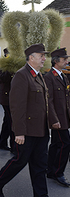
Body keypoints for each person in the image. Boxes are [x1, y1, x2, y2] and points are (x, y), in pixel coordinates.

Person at [0, 43, 50, 197]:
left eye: (44, 55)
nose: (44, 58)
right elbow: (16, 107)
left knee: (40, 166)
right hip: (27, 131)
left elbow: (44, 103)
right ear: (31, 58)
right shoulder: (22, 75)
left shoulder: (38, 75)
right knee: (20, 162)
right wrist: (19, 132)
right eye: (41, 55)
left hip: (41, 130)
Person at [44, 48, 70, 187]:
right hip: (58, 119)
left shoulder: (63, 76)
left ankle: (50, 170)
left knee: (55, 144)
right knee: (65, 144)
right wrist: (53, 120)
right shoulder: (49, 77)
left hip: (64, 117)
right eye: (64, 59)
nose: (67, 61)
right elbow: (49, 101)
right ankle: (58, 173)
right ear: (56, 61)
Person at [0, 48, 15, 152]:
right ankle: (14, 147)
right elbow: (3, 79)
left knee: (7, 121)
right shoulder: (2, 66)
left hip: (12, 97)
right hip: (6, 98)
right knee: (11, 121)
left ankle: (2, 143)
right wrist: (9, 67)